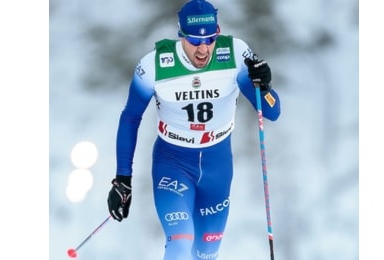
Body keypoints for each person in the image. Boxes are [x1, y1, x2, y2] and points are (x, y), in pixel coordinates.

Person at [106, 0, 281, 259]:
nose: (203, 50)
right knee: (180, 242)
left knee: (205, 253)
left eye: (210, 40)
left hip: (217, 166)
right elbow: (130, 118)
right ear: (181, 36)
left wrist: (264, 86)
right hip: (173, 162)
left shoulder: (235, 53)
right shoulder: (154, 65)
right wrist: (123, 179)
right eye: (194, 42)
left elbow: (272, 111)